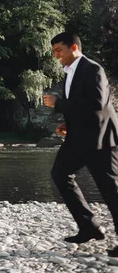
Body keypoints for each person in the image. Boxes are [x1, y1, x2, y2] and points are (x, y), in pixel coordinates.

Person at [42, 33, 118, 256]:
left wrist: (59, 104)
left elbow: (96, 103)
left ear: (74, 47)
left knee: (111, 190)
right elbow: (81, 105)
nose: (56, 55)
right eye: (54, 51)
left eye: (59, 50)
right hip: (79, 136)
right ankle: (89, 226)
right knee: (60, 173)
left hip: (100, 138)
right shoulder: (71, 72)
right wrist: (67, 122)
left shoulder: (92, 69)